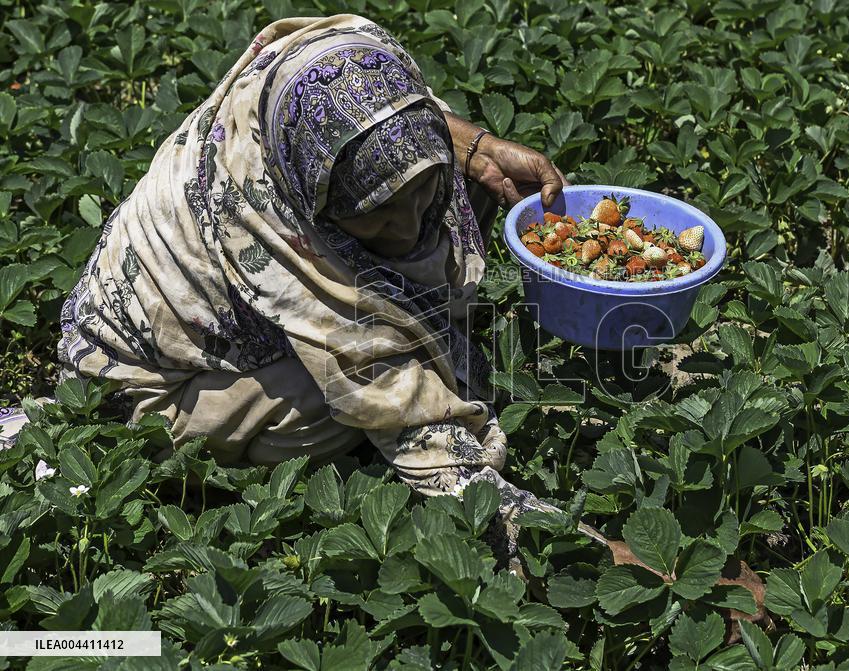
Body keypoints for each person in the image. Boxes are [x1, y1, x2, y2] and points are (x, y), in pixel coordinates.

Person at [47, 15, 572, 521]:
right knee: (342, 407)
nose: (409, 226)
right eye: (379, 213)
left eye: (418, 195)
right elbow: (392, 395)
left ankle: (409, 284)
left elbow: (389, 117)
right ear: (314, 202)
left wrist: (475, 150)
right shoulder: (269, 232)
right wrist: (552, 531)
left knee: (457, 185)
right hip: (146, 390)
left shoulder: (304, 79)